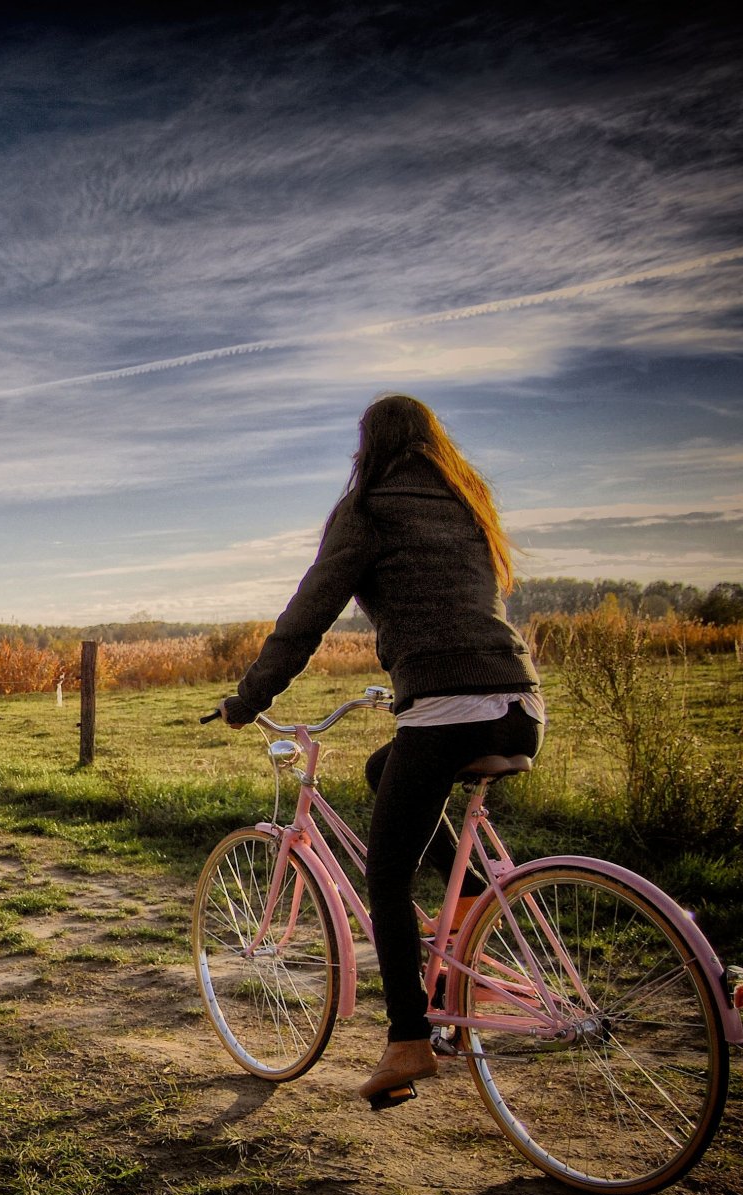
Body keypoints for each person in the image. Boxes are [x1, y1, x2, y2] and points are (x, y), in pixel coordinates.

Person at [215, 394, 542, 1106]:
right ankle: (471, 920)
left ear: (367, 447)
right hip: (520, 707)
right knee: (380, 768)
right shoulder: (466, 502)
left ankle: (407, 1040)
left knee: (386, 876)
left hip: (448, 709)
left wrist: (248, 700)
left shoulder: (367, 509)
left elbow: (307, 614)